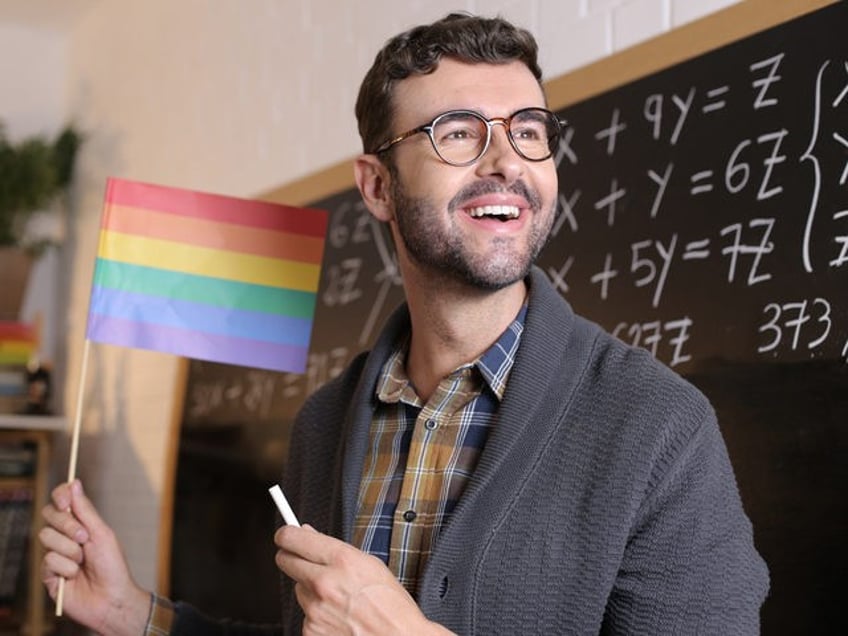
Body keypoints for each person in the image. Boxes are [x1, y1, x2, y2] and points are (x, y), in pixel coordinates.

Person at [40, 12, 769, 635]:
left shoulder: (658, 427)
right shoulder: (324, 423)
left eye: (529, 131)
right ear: (378, 186)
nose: (506, 161)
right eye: (457, 133)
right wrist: (134, 614)